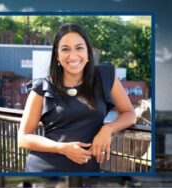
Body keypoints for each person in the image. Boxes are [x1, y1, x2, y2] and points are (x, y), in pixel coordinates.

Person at [17, 23, 136, 172]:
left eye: (79, 48)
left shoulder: (104, 76)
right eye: (65, 49)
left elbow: (130, 114)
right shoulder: (42, 87)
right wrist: (62, 148)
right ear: (57, 56)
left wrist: (108, 129)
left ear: (88, 53)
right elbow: (23, 138)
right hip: (43, 170)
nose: (73, 56)